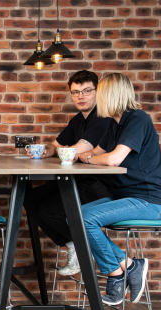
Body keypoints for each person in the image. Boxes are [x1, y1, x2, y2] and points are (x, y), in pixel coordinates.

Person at [77, 73, 161, 306]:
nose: (96, 97)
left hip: (150, 202)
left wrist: (87, 160)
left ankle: (115, 273)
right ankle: (129, 265)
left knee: (86, 218)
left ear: (110, 94)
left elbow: (112, 160)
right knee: (74, 216)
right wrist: (80, 156)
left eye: (99, 92)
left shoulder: (137, 119)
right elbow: (98, 152)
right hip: (127, 196)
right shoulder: (115, 123)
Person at [23, 70, 113, 276]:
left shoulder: (102, 118)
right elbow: (57, 145)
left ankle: (83, 249)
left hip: (99, 185)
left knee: (50, 210)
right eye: (76, 92)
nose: (80, 96)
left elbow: (77, 149)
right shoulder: (78, 120)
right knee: (30, 198)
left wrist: (58, 151)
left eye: (86, 91)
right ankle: (73, 244)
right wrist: (46, 150)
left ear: (97, 92)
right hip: (76, 180)